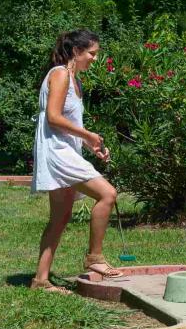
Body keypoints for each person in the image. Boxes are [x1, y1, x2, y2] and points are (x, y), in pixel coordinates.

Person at [31, 29, 122, 294]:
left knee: (60, 216)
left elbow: (69, 124)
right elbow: (53, 118)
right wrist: (89, 134)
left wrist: (90, 144)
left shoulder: (75, 81)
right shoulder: (60, 74)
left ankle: (40, 280)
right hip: (58, 152)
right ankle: (95, 258)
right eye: (92, 53)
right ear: (76, 51)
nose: (95, 59)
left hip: (65, 149)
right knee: (108, 194)